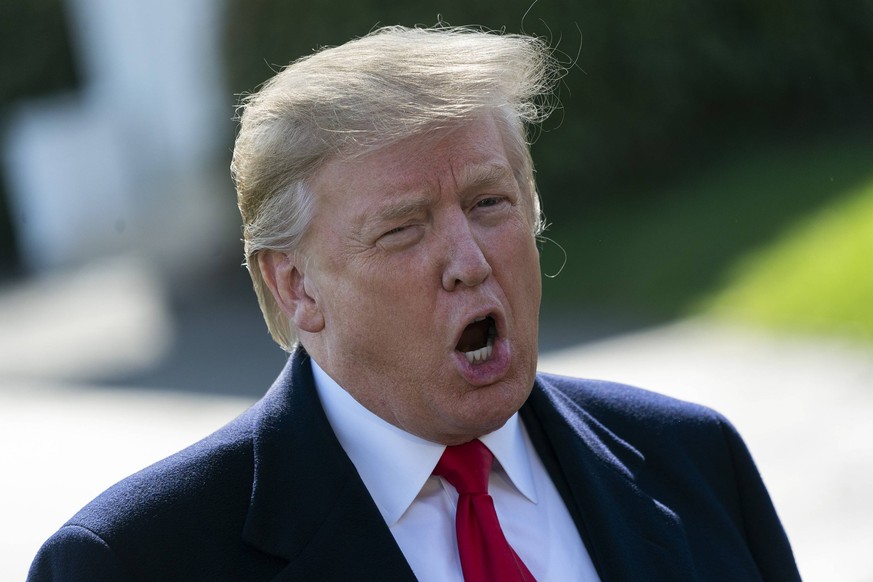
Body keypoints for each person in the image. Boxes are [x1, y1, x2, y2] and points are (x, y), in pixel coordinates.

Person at [29, 25, 800, 581]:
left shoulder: (693, 460)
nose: (468, 262)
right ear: (295, 285)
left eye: (490, 203)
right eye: (403, 230)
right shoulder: (130, 561)